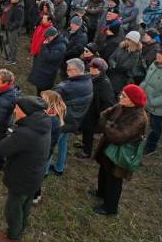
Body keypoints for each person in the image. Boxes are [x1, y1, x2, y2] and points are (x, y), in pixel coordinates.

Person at [0, 96, 56, 242]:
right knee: (26, 203)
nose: (15, 110)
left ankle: (13, 236)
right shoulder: (43, 123)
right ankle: (21, 228)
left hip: (21, 176)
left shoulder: (26, 133)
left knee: (13, 207)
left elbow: (2, 149)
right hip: (35, 174)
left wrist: (10, 133)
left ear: (26, 112)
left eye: (17, 109)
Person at [92, 84, 148, 215]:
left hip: (120, 154)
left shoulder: (139, 118)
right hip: (109, 148)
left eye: (124, 96)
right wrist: (109, 126)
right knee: (104, 170)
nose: (120, 97)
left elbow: (118, 137)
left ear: (133, 100)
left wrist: (107, 125)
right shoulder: (121, 106)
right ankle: (101, 193)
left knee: (114, 179)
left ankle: (110, 208)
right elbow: (103, 115)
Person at [49, 58, 93, 175]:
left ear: (77, 70)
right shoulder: (88, 81)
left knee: (49, 146)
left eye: (69, 70)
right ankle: (59, 168)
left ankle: (44, 171)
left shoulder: (69, 87)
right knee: (63, 143)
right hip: (73, 120)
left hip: (62, 120)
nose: (67, 72)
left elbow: (51, 97)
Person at [77, 58, 116, 158]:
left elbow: (108, 102)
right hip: (88, 109)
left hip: (93, 113)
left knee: (88, 131)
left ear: (101, 70)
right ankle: (84, 144)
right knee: (85, 130)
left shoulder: (104, 84)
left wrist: (101, 115)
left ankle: (86, 152)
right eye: (91, 67)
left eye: (95, 68)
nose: (91, 69)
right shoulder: (93, 77)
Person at [28, 27, 67, 96]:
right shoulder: (53, 42)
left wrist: (45, 46)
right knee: (39, 90)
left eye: (48, 37)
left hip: (47, 73)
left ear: (53, 36)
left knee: (43, 92)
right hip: (43, 71)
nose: (46, 39)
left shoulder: (60, 46)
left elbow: (50, 57)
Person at [107, 31, 142, 96]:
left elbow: (125, 67)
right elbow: (111, 58)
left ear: (134, 42)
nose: (126, 40)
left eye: (129, 40)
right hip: (112, 73)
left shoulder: (135, 53)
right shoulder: (121, 46)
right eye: (126, 38)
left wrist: (113, 66)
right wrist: (113, 65)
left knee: (112, 93)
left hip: (120, 79)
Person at [3, 0, 24, 66]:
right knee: (8, 43)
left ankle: (12, 60)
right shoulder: (13, 5)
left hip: (14, 29)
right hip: (10, 27)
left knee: (13, 44)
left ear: (17, 0)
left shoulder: (19, 9)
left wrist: (10, 27)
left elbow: (18, 22)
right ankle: (9, 56)